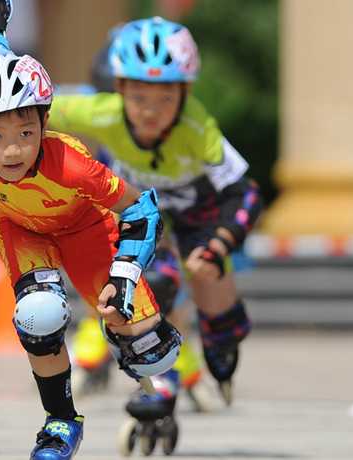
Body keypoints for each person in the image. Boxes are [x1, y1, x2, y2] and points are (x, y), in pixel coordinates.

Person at [0, 2, 182, 458]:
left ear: (45, 123)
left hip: (85, 231)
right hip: (22, 229)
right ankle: (60, 420)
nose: (12, 150)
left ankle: (128, 353)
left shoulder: (72, 167)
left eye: (25, 132)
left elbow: (143, 208)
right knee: (38, 316)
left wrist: (125, 276)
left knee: (155, 352)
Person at [49, 17, 263, 407]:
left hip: (199, 215)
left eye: (165, 100)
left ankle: (217, 347)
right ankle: (159, 378)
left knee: (218, 313)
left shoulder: (198, 128)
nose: (150, 113)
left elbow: (245, 193)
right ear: (119, 90)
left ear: (185, 94)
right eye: (139, 99)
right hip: (147, 213)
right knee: (153, 282)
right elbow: (31, 110)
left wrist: (220, 244)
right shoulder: (101, 112)